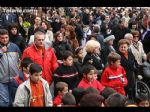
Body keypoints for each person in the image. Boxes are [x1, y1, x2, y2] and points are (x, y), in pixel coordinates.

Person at [22, 31, 58, 97]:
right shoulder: (28, 51)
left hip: (49, 81)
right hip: (35, 82)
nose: (41, 41)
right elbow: (24, 68)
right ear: (34, 40)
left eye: (42, 40)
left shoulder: (49, 50)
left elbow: (54, 63)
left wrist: (57, 73)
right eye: (39, 40)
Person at [0, 29, 21, 106]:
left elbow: (20, 60)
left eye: (6, 37)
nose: (5, 39)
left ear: (9, 37)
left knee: (15, 100)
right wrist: (1, 52)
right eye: (2, 38)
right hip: (2, 80)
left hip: (14, 79)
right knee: (4, 102)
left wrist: (19, 74)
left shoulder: (14, 46)